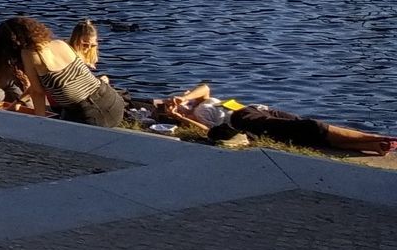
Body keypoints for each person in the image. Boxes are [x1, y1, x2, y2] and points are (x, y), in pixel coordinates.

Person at [155, 85, 397, 157]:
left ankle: (369, 141)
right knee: (308, 129)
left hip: (255, 109)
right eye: (165, 106)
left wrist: (183, 98)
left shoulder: (193, 101)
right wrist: (177, 116)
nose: (169, 104)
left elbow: (205, 88)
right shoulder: (184, 117)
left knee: (306, 124)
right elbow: (213, 131)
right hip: (241, 120)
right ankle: (374, 140)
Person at [0, 17, 125, 127]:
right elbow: (39, 85)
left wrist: (41, 124)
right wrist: (18, 102)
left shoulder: (29, 54)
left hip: (91, 112)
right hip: (112, 101)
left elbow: (38, 92)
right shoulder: (60, 43)